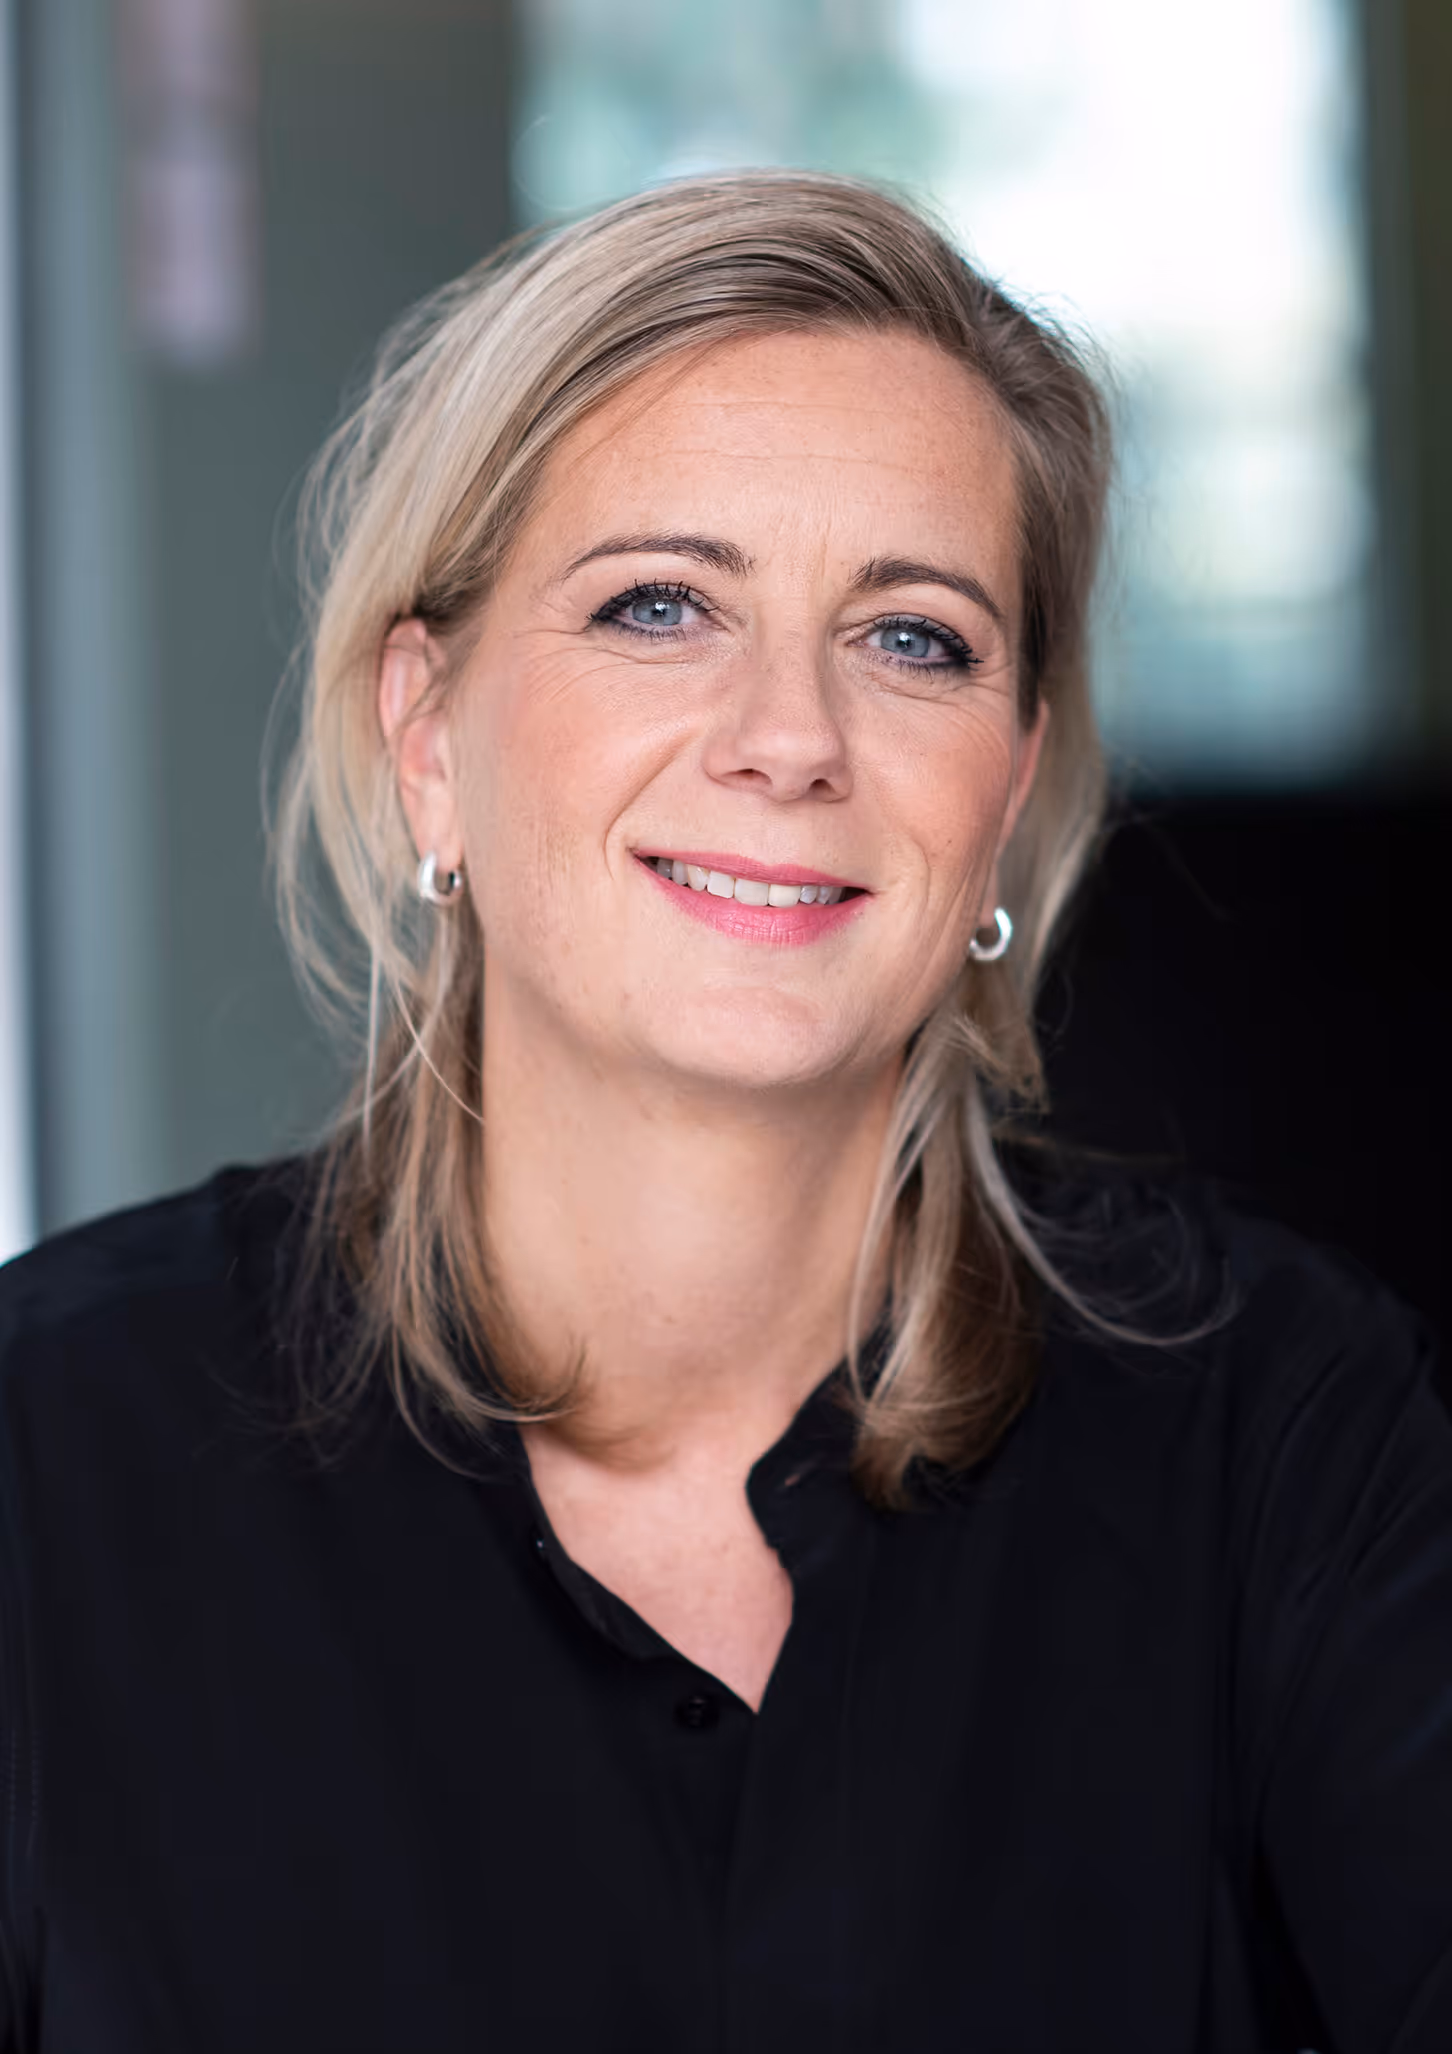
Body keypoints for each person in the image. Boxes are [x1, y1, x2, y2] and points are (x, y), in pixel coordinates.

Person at [0, 169, 1448, 2053]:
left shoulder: (1288, 1431)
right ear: (429, 737)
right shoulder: (47, 1468)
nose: (792, 736)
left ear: (1004, 786)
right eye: (661, 605)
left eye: (913, 636)